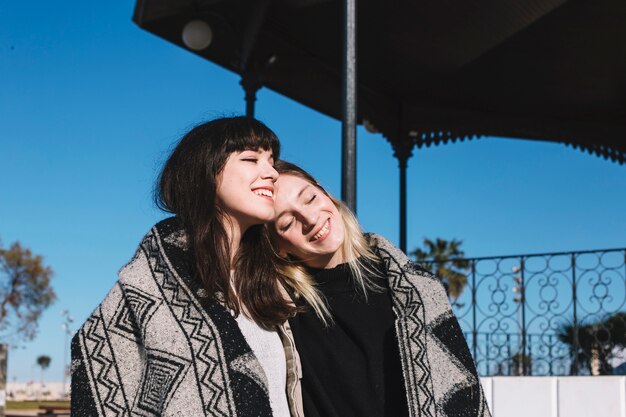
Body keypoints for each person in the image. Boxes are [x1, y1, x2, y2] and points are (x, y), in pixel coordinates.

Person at [70, 117, 307, 417]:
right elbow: (96, 360)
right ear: (204, 172)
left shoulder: (273, 284)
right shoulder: (151, 280)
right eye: (251, 159)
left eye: (272, 162)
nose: (271, 173)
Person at [269, 160, 492, 417]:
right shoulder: (282, 312)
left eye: (309, 198)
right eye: (287, 223)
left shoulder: (418, 289)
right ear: (278, 247)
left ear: (325, 193)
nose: (309, 219)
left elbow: (461, 392)